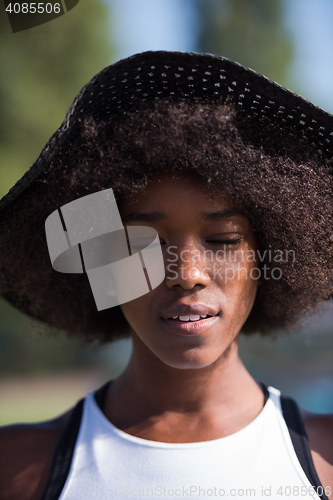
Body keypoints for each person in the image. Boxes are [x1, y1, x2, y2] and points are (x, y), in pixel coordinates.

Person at [0, 51, 332, 500]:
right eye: (144, 242)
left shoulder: (325, 461)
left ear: (267, 255)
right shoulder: (17, 468)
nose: (188, 274)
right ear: (101, 261)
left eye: (223, 239)